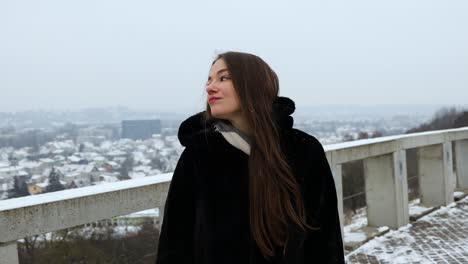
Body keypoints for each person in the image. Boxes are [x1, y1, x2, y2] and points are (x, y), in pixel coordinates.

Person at [155, 51, 345, 264]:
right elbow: (174, 244)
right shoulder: (199, 155)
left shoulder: (304, 151)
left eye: (223, 78)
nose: (210, 87)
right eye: (209, 80)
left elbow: (325, 241)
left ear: (254, 84)